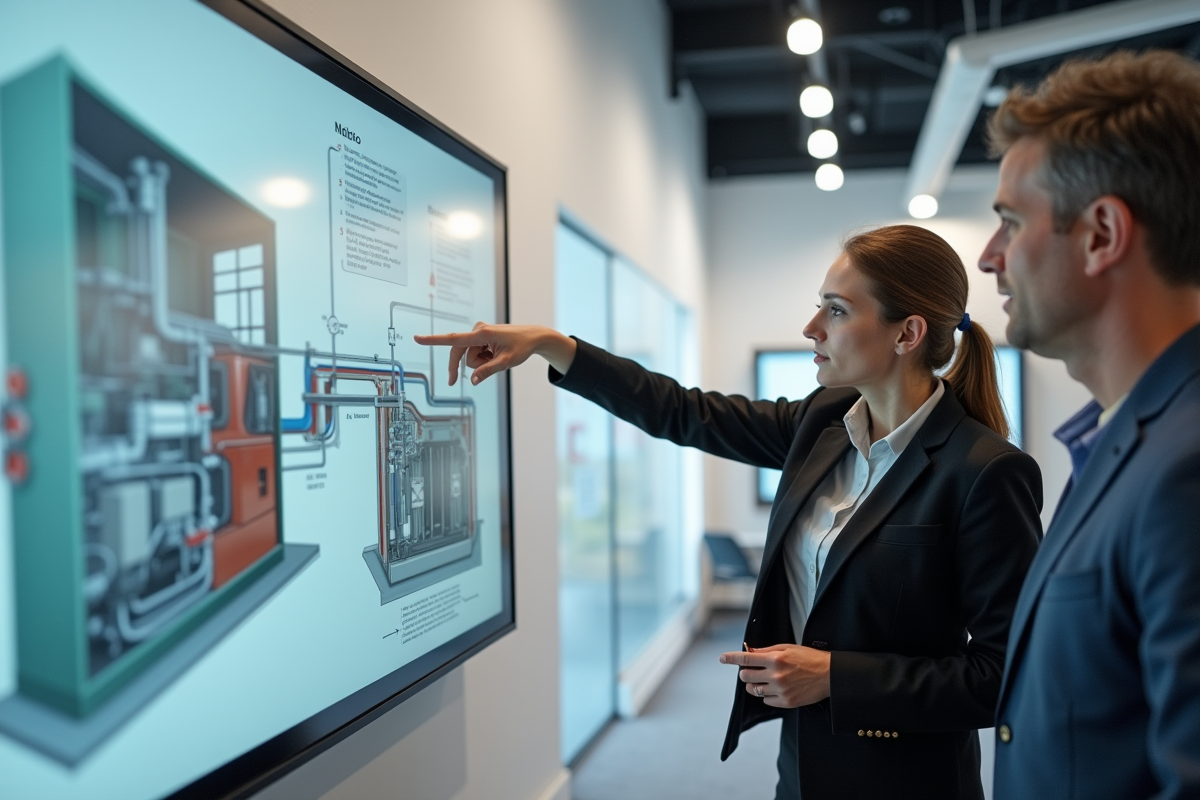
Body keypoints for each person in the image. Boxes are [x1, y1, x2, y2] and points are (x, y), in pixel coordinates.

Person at [416, 224, 1041, 799]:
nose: (811, 327)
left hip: (906, 783)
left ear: (907, 334)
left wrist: (835, 677)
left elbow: (1002, 674)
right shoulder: (821, 423)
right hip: (801, 768)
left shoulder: (985, 472)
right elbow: (684, 411)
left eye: (837, 310)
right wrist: (556, 347)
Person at [980, 50, 1200, 799]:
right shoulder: (1119, 439)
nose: (990, 257)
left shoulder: (1186, 468)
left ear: (1102, 234)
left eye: (1010, 222)